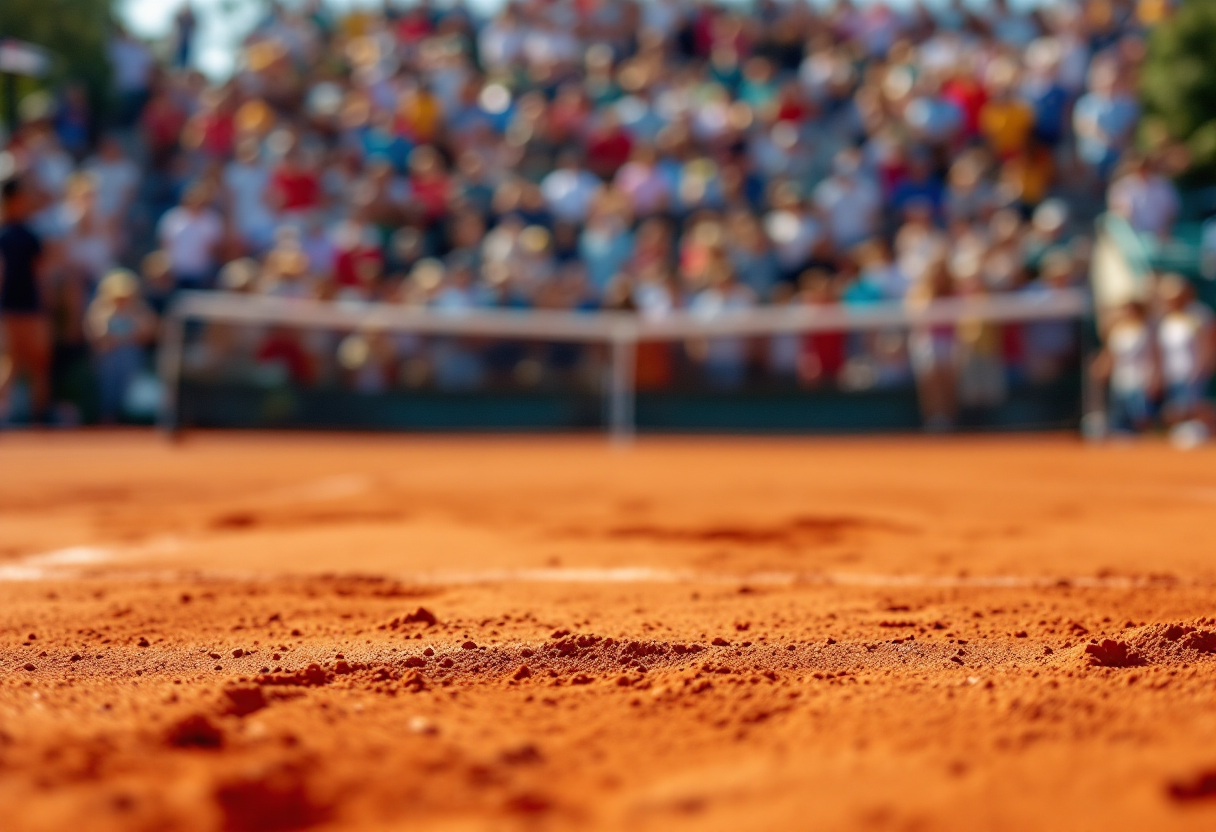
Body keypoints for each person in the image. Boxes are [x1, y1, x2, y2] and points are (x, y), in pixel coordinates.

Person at [0, 177, 52, 423]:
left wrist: (43, 306)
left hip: (30, 307)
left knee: (38, 363)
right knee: (10, 362)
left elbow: (39, 273)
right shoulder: (5, 235)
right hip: (9, 309)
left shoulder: (31, 235)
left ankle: (39, 417)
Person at [84, 269, 157, 424]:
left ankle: (129, 415)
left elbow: (147, 333)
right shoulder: (99, 310)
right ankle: (108, 414)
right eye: (118, 297)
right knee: (111, 364)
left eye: (125, 297)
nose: (122, 301)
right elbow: (99, 337)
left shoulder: (140, 310)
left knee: (128, 358)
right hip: (106, 360)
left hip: (134, 361)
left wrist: (123, 335)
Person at [1156, 274, 1215, 431]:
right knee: (1175, 410)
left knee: (1194, 408)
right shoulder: (1166, 319)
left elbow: (1208, 345)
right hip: (1172, 375)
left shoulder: (1199, 314)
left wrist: (1202, 370)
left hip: (1194, 374)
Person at [1093, 300, 1157, 435]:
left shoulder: (1146, 330)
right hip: (1119, 380)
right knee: (1120, 417)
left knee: (1140, 416)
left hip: (1140, 379)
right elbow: (1110, 353)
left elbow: (1154, 355)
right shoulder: (1117, 331)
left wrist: (1154, 377)